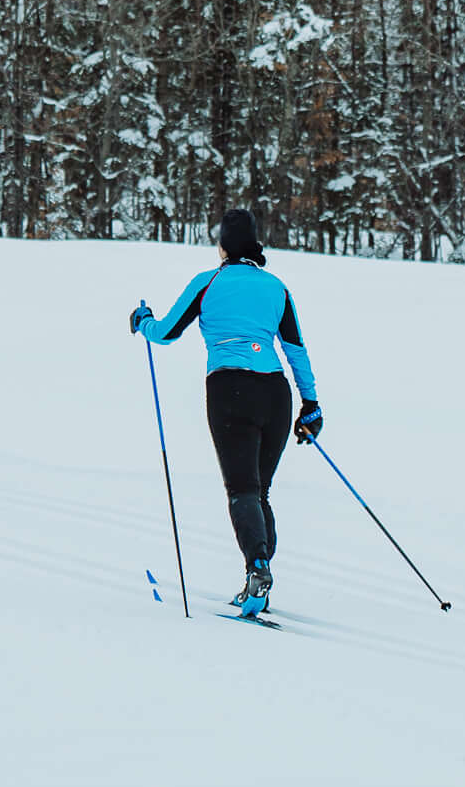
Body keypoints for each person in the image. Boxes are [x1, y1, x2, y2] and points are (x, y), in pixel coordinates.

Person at [132, 207, 323, 617]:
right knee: (260, 491)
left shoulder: (208, 282)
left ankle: (257, 568)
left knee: (242, 490)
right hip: (275, 393)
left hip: (230, 390)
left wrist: (142, 321)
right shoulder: (277, 287)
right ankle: (259, 578)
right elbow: (296, 350)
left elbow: (165, 333)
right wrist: (311, 405)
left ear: (223, 245)